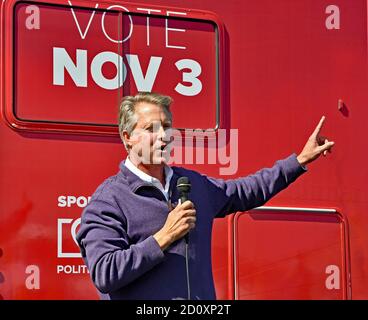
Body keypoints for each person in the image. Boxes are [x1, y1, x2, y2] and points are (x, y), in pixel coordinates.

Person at [76, 92, 335, 300]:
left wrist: (298, 161)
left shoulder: (192, 184)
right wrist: (163, 238)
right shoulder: (109, 199)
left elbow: (247, 190)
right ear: (128, 137)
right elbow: (105, 272)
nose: (162, 136)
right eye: (150, 129)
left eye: (166, 127)